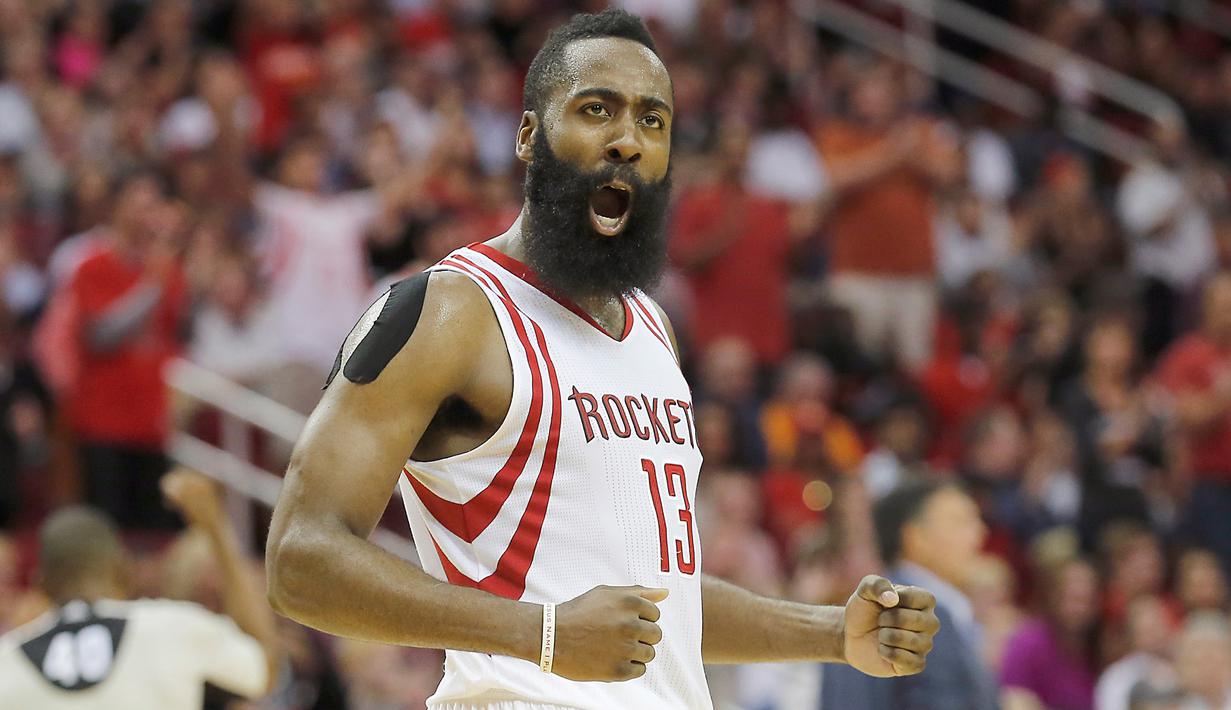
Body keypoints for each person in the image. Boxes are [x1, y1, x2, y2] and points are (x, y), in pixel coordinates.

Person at [266, 10, 940, 710]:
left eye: (653, 122)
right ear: (529, 134)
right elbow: (298, 559)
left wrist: (830, 632)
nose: (626, 140)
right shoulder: (450, 311)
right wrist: (545, 633)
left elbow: (658, 600)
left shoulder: (653, 330)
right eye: (597, 110)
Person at [0, 469, 279, 708]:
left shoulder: (6, 662)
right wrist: (217, 529)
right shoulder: (174, 626)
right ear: (123, 571)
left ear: (40, 583)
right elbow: (264, 671)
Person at [820, 481, 998, 710]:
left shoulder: (868, 605)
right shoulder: (923, 612)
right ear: (916, 538)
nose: (979, 532)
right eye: (960, 521)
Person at [1155, 272, 1231, 576]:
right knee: (1222, 562)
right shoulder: (1186, 356)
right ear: (1206, 310)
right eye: (1224, 306)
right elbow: (1185, 417)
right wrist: (1221, 398)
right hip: (1211, 483)